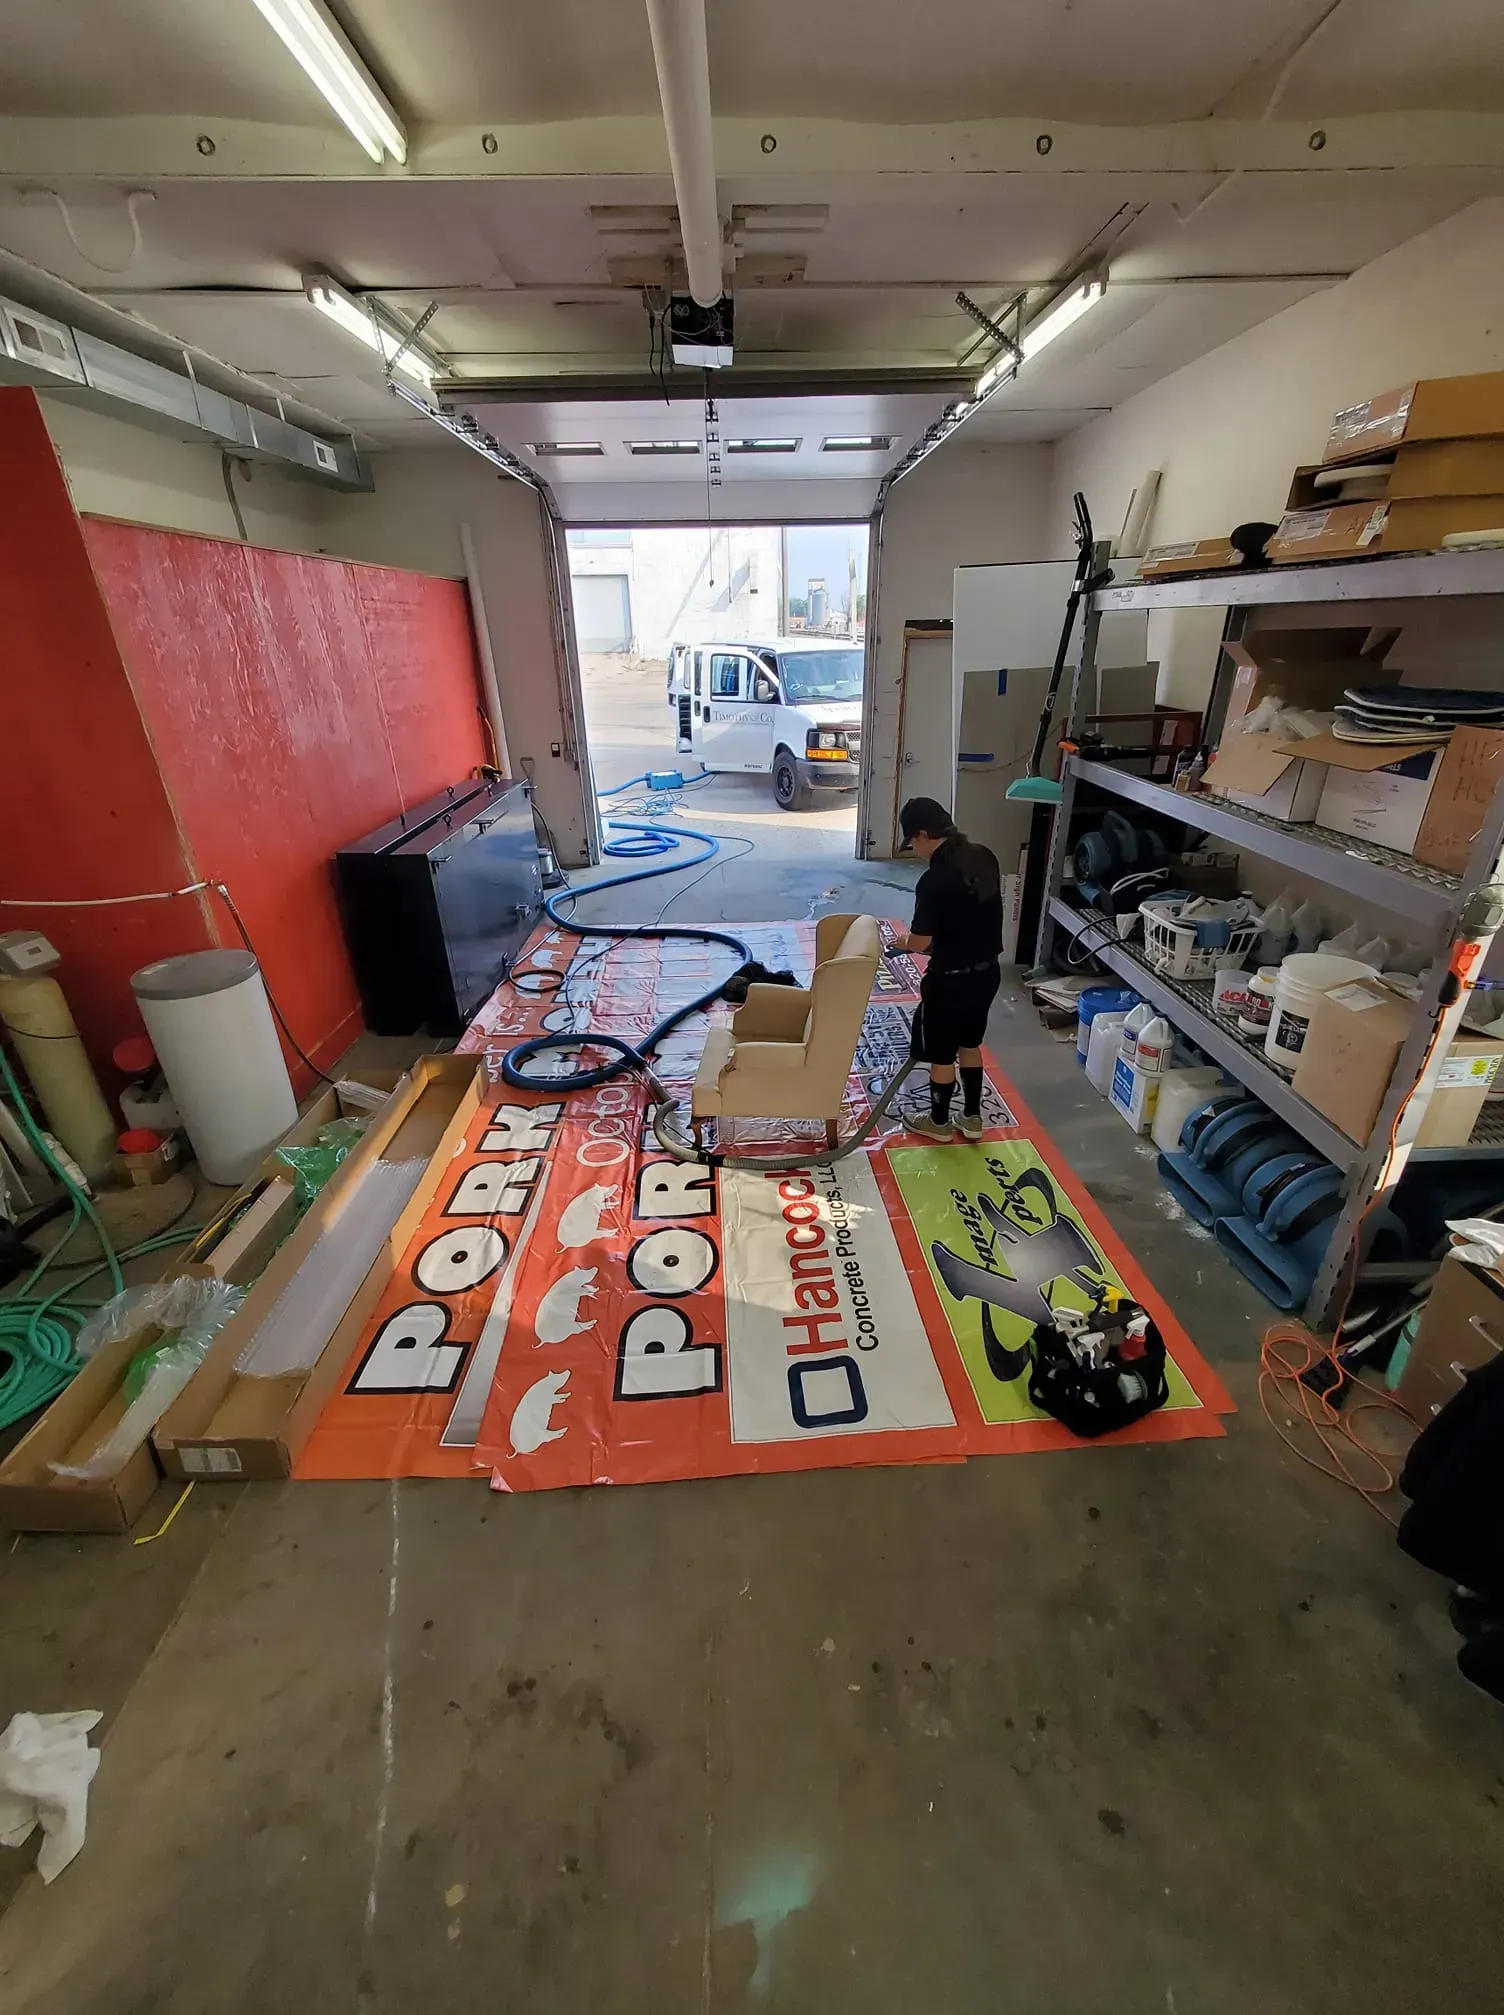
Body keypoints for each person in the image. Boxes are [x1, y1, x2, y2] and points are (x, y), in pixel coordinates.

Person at [892, 796, 1003, 1142]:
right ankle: (971, 1118)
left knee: (941, 1054)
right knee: (970, 1043)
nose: (914, 849)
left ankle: (938, 1122)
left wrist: (903, 943)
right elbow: (973, 915)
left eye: (912, 842)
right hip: (987, 974)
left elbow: (922, 941)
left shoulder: (934, 880)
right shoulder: (984, 856)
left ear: (924, 834)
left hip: (949, 981)